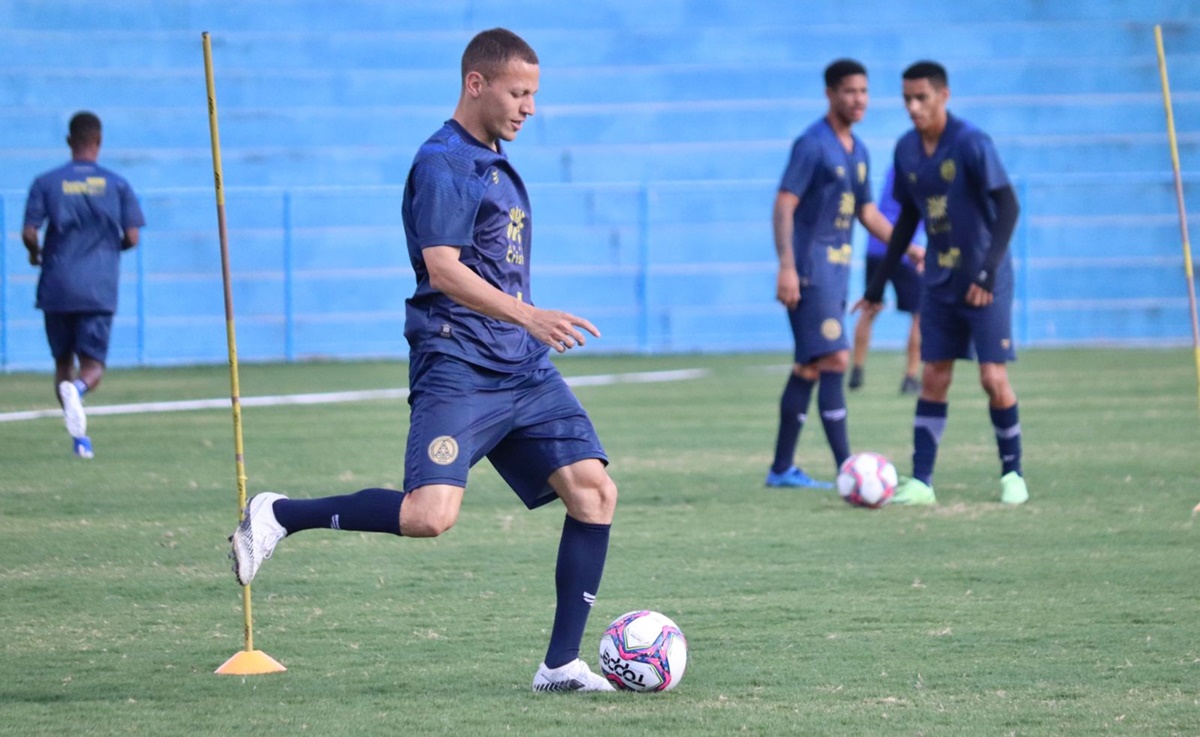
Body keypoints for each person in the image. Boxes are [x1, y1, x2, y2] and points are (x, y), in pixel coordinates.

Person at [231, 28, 619, 693]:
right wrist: (531, 315)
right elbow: (443, 268)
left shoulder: (491, 160)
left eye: (534, 94)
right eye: (518, 93)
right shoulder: (444, 162)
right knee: (428, 516)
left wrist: (524, 329)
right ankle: (279, 514)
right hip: (459, 363)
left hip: (521, 365)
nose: (529, 107)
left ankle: (560, 665)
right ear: (476, 83)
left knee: (594, 492)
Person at [853, 61, 1028, 506]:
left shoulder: (971, 143)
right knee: (933, 376)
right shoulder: (906, 149)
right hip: (939, 279)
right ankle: (922, 482)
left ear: (943, 96)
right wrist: (877, 285)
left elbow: (1008, 206)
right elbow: (907, 219)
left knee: (992, 377)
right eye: (907, 99)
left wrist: (988, 271)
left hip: (985, 280)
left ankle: (1013, 475)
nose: (913, 107)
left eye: (922, 98)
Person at [767, 59, 897, 489]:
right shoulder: (812, 144)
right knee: (836, 358)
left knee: (809, 366)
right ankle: (851, 472)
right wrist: (787, 266)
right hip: (810, 272)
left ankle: (781, 469)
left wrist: (908, 248)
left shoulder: (858, 150)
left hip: (837, 273)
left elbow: (868, 213)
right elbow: (784, 204)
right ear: (830, 94)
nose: (859, 99)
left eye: (864, 91)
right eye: (849, 91)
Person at [22, 111, 145, 459]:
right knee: (92, 368)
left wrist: (35, 253)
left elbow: (29, 232)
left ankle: (79, 440)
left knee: (62, 363)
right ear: (99, 141)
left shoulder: (46, 182)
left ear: (69, 141)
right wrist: (109, 250)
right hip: (97, 288)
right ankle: (78, 389)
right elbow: (132, 236)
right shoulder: (117, 184)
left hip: (57, 284)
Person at [848, 165, 925, 394]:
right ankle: (911, 376)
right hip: (906, 250)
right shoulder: (924, 168)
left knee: (869, 309)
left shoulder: (897, 168)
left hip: (876, 247)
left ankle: (857, 370)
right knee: (919, 314)